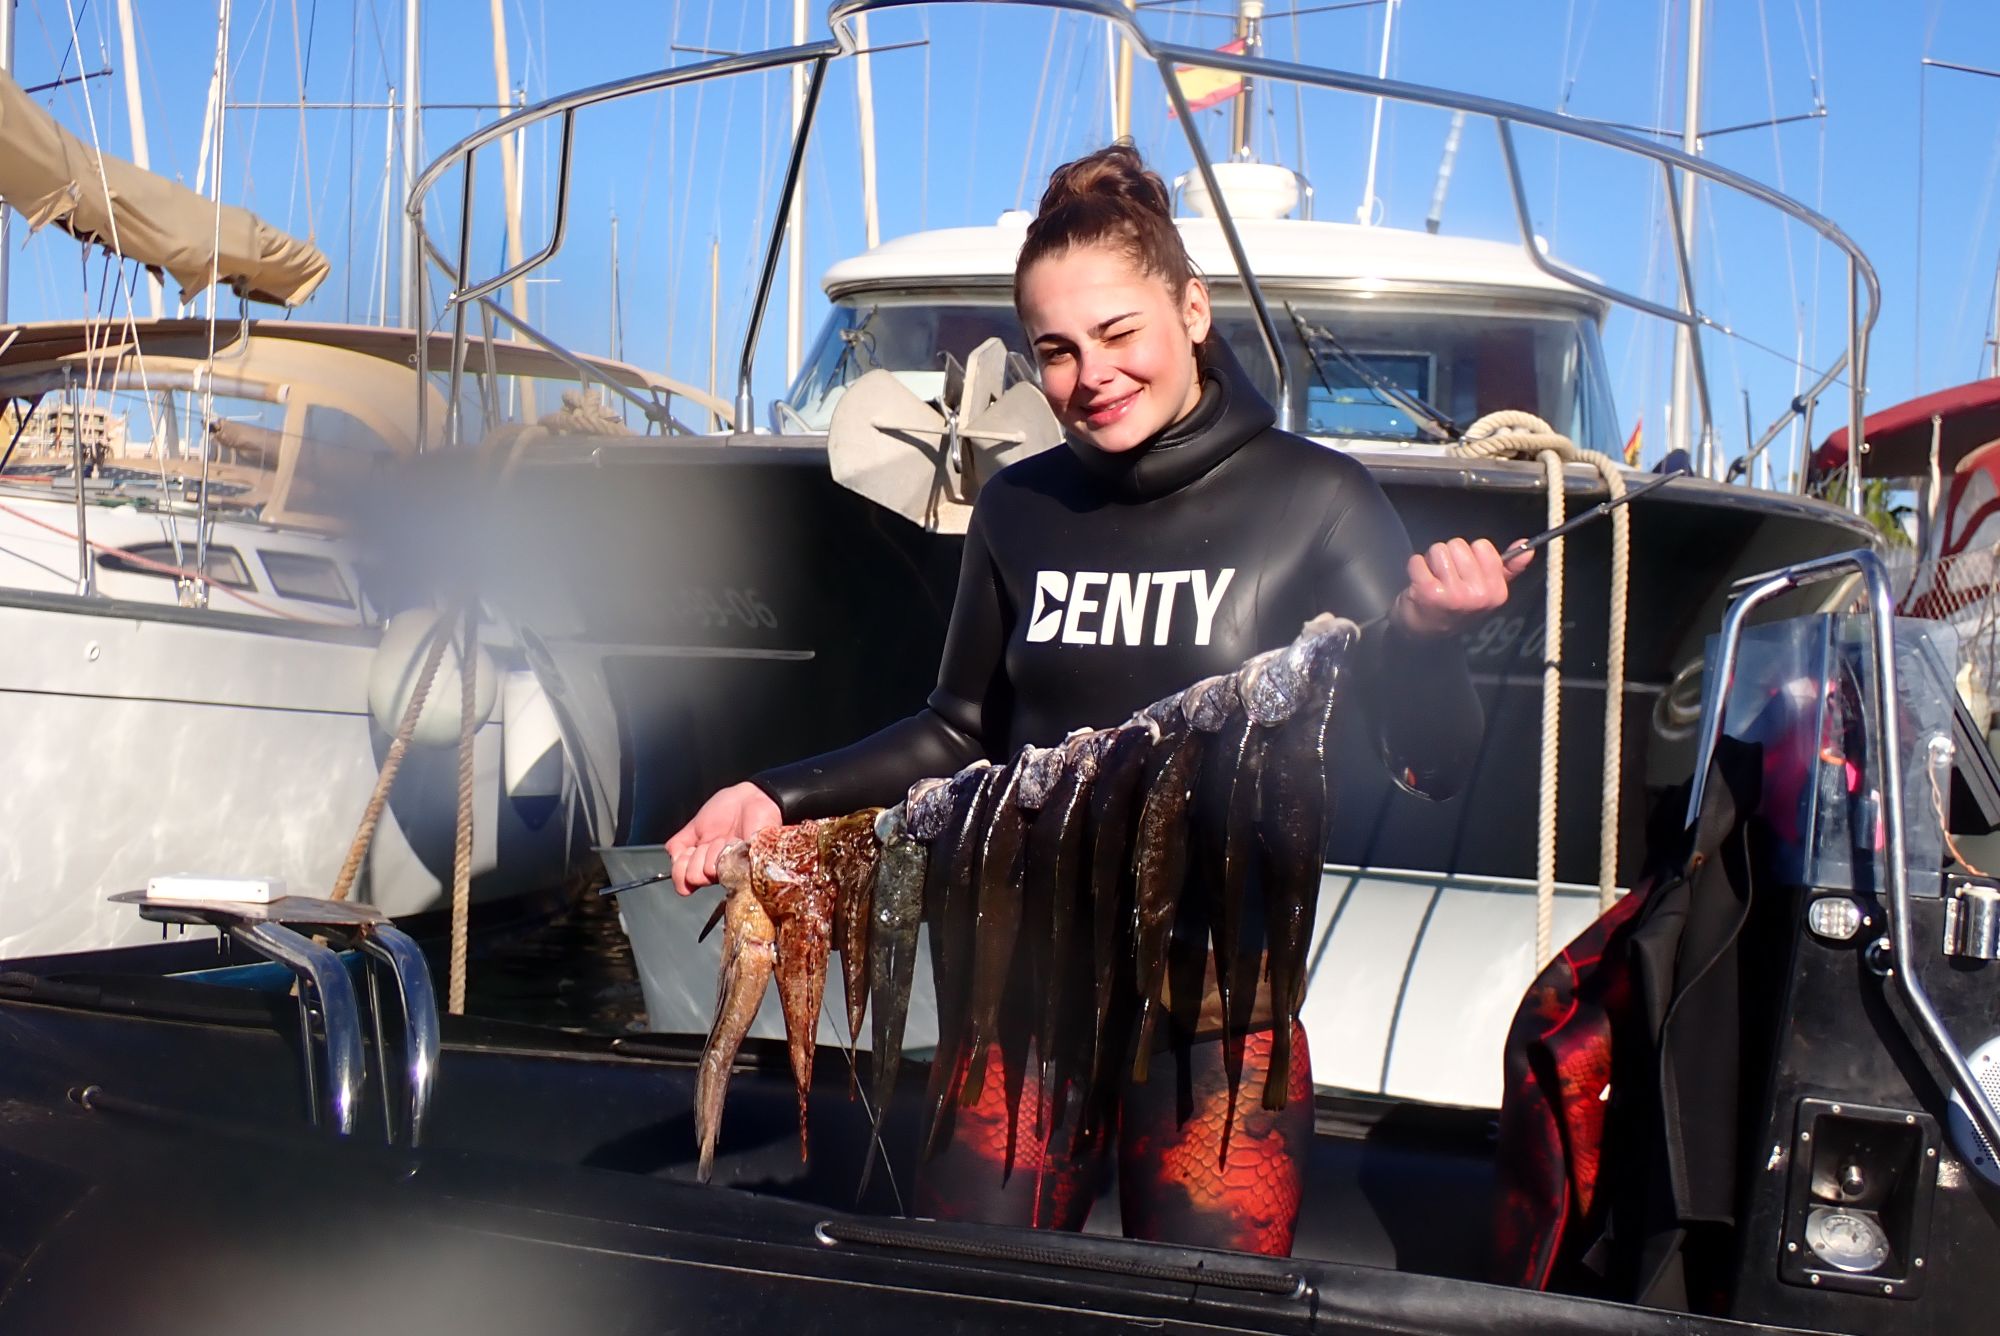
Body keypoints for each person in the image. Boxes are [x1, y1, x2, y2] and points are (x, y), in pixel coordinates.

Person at [667, 144, 1529, 1255]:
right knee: (972, 1300)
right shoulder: (1017, 508)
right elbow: (961, 733)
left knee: (1203, 1317)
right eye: (1057, 350)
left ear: (1192, 311)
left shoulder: (1317, 498)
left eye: (1120, 334)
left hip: (1220, 1020)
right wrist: (774, 794)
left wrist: (1427, 644)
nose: (1092, 376)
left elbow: (1433, 763)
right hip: (1016, 1005)